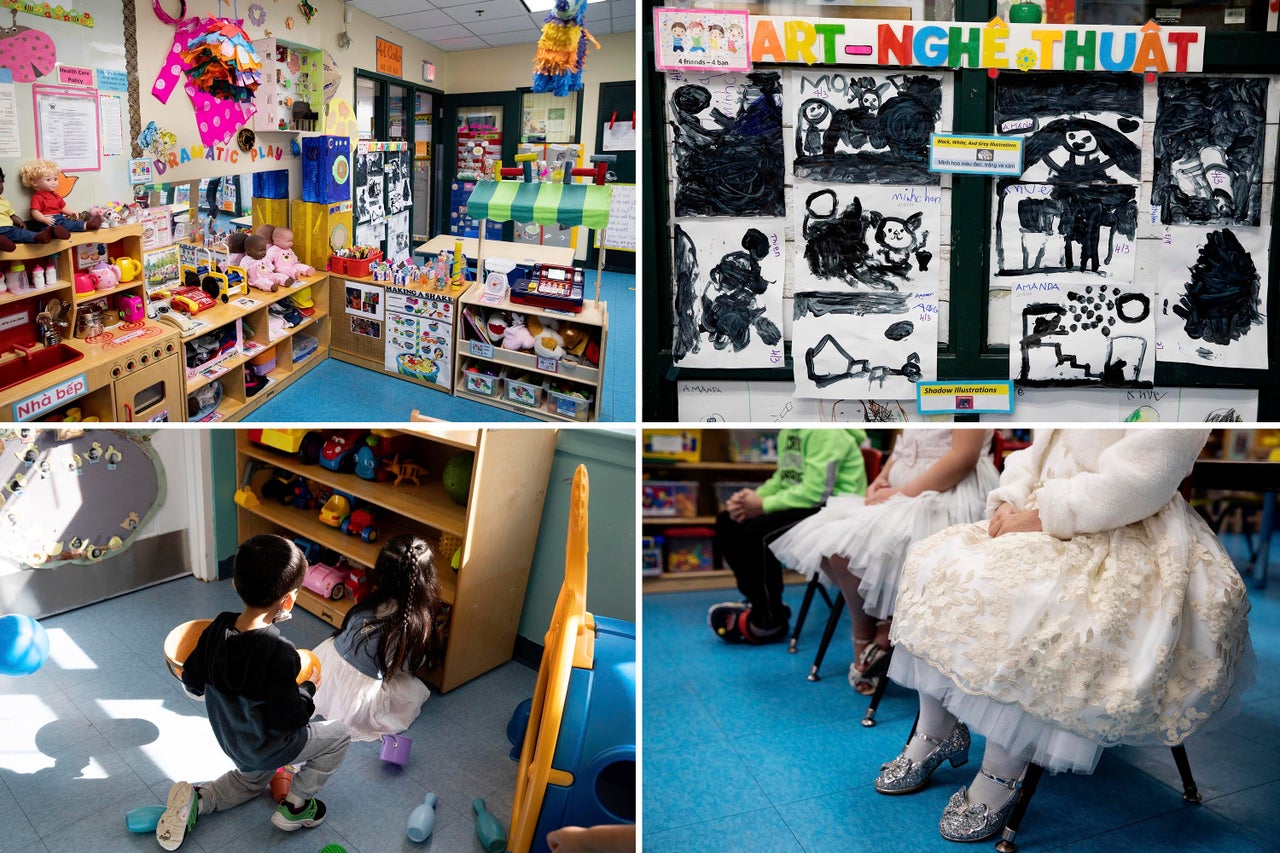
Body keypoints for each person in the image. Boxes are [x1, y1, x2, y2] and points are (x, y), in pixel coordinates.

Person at [874, 429, 1254, 843]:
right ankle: (935, 730)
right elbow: (1035, 451)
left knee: (1026, 596)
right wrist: (1011, 499)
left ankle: (1002, 767)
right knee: (935, 560)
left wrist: (1042, 516)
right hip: (1039, 514)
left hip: (1125, 528)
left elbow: (1140, 479)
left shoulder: (1179, 397)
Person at [159, 534, 351, 850]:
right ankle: (297, 806)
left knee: (249, 782)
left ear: (235, 584)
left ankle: (200, 800)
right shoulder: (280, 652)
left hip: (233, 739)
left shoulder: (218, 627)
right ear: (288, 600)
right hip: (268, 745)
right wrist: (307, 688)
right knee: (340, 735)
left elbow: (192, 680)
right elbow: (290, 720)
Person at [770, 429, 998, 693]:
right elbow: (905, 440)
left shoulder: (965, 387)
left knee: (846, 548)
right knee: (825, 539)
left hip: (946, 492)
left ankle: (873, 633)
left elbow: (963, 457)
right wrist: (882, 477)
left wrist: (898, 493)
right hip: (901, 489)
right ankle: (881, 625)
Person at [707, 428, 867, 644]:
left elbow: (816, 492)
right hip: (807, 502)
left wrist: (763, 505)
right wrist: (749, 500)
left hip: (834, 507)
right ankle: (761, 603)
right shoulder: (789, 431)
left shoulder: (827, 433)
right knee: (727, 521)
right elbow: (784, 478)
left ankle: (768, 620)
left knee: (757, 534)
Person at [311, 534, 441, 741]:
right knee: (412, 690)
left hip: (328, 666)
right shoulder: (412, 621)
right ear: (427, 579)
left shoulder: (370, 601)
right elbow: (404, 667)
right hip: (358, 694)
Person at [18, 159, 102, 232]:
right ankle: (57, 232)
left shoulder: (56, 196)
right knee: (49, 228)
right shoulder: (37, 197)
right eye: (48, 180)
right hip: (47, 221)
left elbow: (62, 207)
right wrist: (44, 219)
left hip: (60, 219)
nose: (54, 182)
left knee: (70, 224)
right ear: (34, 182)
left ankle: (88, 225)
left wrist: (72, 213)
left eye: (55, 179)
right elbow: (35, 212)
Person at [0, 166, 67, 252]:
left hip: (9, 229)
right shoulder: (37, 198)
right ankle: (3, 243)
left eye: (0, 182)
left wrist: (21, 223)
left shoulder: (3, 201)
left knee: (22, 233)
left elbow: (12, 215)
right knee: (13, 240)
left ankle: (40, 237)